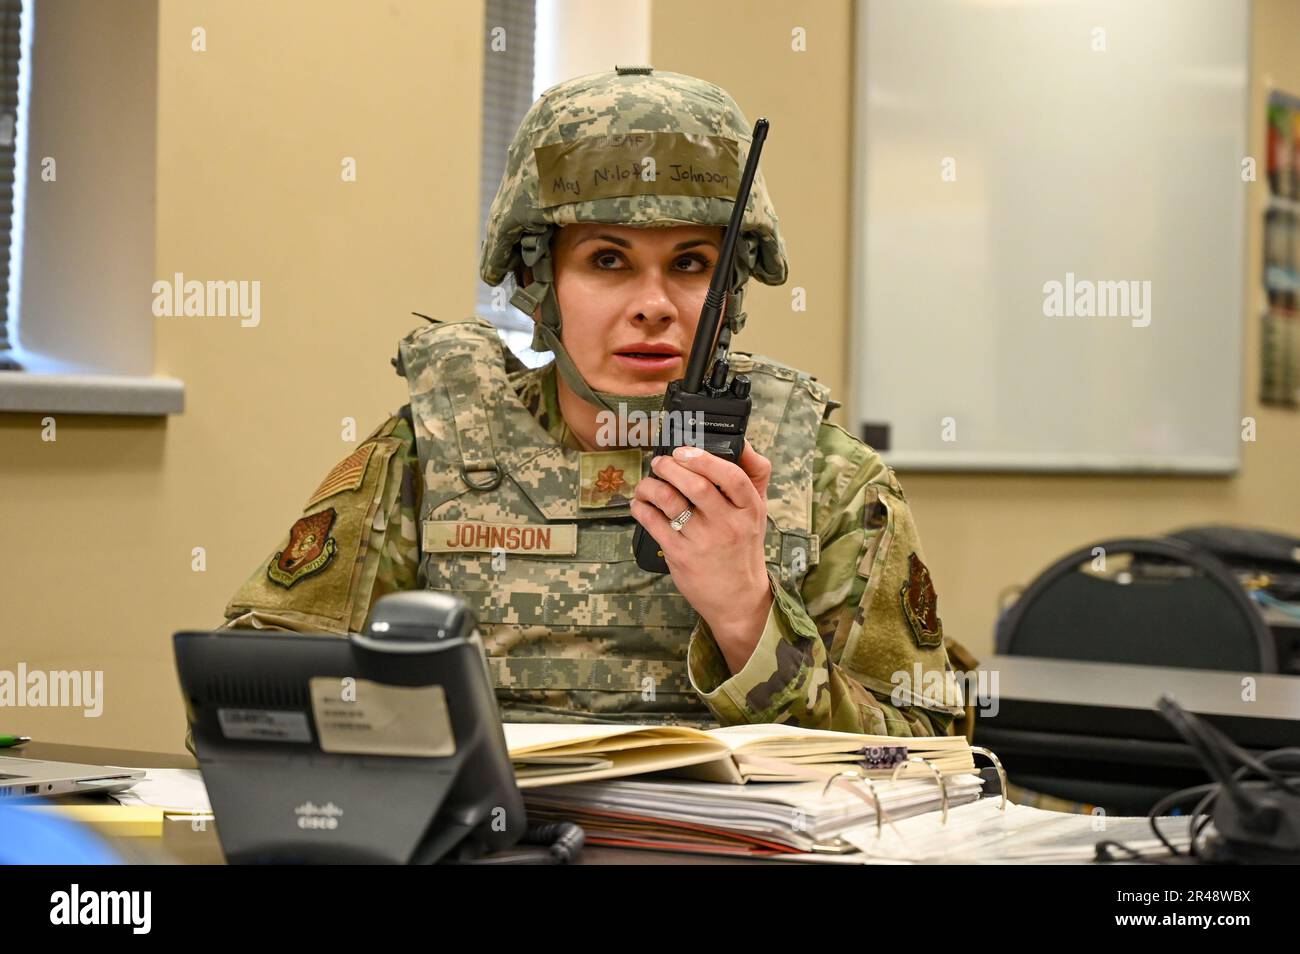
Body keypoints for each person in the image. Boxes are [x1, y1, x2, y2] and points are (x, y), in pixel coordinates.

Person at [212, 66, 966, 745]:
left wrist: (748, 616)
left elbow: (928, 758)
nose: (653, 306)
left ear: (730, 292)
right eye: (608, 261)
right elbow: (247, 698)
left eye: (691, 264)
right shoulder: (433, 449)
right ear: (542, 283)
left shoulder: (828, 479)